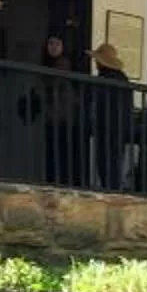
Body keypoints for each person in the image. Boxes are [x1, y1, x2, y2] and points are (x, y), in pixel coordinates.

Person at [89, 43, 138, 191]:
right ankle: (114, 188)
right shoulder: (123, 79)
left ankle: (109, 188)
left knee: (105, 160)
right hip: (120, 125)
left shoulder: (105, 78)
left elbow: (99, 100)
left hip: (107, 123)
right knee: (116, 158)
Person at [39, 32, 85, 187]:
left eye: (57, 44)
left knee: (59, 153)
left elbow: (54, 84)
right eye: (50, 43)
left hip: (62, 118)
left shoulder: (63, 63)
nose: (53, 47)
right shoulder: (47, 64)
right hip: (54, 117)